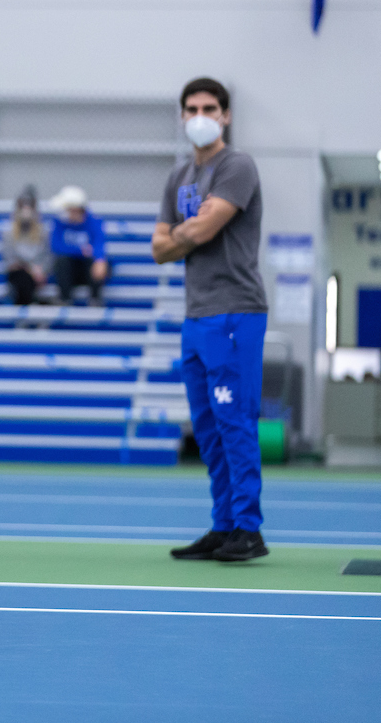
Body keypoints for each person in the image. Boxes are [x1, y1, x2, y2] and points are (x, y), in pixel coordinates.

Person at [152, 77, 269, 562]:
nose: (200, 116)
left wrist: (183, 234)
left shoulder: (237, 165)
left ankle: (248, 528)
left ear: (225, 115)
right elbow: (159, 248)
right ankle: (223, 525)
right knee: (207, 428)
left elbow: (203, 230)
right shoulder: (178, 176)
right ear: (182, 116)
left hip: (235, 312)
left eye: (209, 108)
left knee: (234, 422)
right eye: (192, 108)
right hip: (196, 316)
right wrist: (189, 231)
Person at [48, 185, 108, 305]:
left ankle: (95, 300)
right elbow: (56, 247)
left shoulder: (93, 222)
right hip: (69, 272)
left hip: (87, 271)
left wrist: (99, 259)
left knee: (97, 262)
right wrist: (81, 250)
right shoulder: (59, 224)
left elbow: (99, 244)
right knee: (62, 261)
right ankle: (65, 299)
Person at [2, 186, 49, 305]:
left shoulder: (42, 232)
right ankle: (29, 307)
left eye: (29, 206)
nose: (26, 210)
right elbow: (10, 260)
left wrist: (42, 270)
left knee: (28, 279)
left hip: (37, 274)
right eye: (23, 206)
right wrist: (30, 268)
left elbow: (48, 256)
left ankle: (27, 309)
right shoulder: (9, 232)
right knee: (22, 278)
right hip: (18, 272)